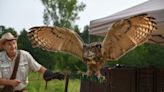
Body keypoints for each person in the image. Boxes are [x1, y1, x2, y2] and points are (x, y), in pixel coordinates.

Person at [0, 32, 64, 92]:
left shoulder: (25, 55)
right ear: (3, 46)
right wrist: (11, 82)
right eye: (9, 44)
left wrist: (51, 74)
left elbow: (38, 67)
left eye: (14, 43)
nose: (13, 46)